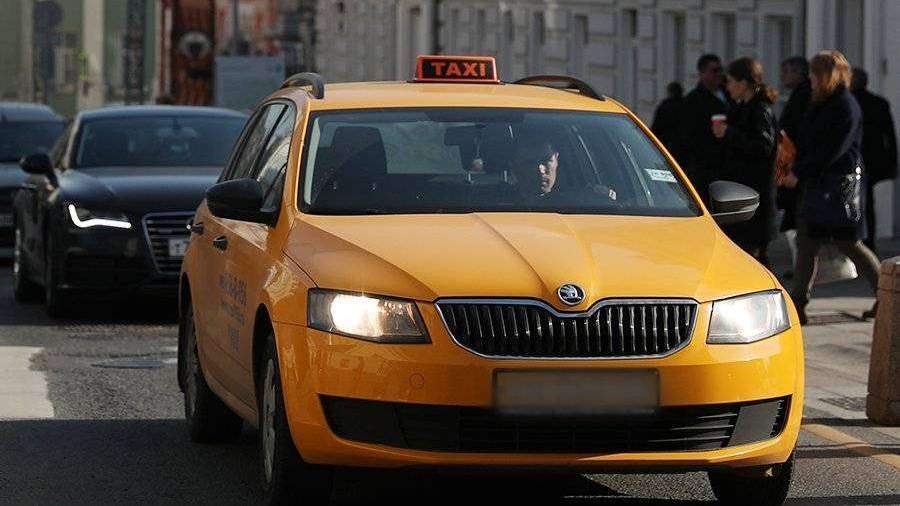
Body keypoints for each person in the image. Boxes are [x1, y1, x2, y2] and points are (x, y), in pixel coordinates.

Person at [783, 50, 882, 324]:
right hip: (818, 186)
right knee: (806, 243)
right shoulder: (821, 102)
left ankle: (887, 296)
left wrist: (800, 172)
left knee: (849, 243)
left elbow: (833, 149)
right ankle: (798, 303)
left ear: (828, 75)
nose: (811, 79)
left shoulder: (845, 106)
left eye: (815, 74)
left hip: (837, 189)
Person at [712, 57, 778, 266]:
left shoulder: (759, 109)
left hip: (754, 195)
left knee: (751, 257)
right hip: (743, 193)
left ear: (743, 83)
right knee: (748, 256)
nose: (728, 87)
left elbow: (763, 147)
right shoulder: (743, 107)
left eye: (731, 82)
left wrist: (730, 133)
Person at [851, 67, 898, 254]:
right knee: (868, 202)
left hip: (856, 158)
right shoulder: (879, 103)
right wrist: (891, 161)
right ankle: (868, 241)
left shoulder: (849, 103)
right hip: (873, 160)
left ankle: (860, 241)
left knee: (855, 201)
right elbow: (890, 135)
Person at [680, 54, 731, 204]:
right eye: (714, 71)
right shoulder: (693, 101)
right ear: (702, 73)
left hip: (729, 162)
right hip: (706, 167)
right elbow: (688, 137)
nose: (719, 74)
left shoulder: (729, 93)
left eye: (720, 70)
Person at [777, 57, 812, 240]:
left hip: (795, 163)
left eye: (786, 72)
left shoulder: (803, 95)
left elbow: (794, 129)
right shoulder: (799, 94)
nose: (782, 76)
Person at [651, 82, 684, 157]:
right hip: (681, 145)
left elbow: (656, 127)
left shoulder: (664, 106)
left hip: (666, 143)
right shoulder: (686, 105)